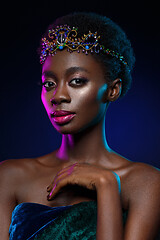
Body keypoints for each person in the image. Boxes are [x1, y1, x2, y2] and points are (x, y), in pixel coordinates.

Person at [0, 12, 160, 240]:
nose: (58, 96)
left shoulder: (146, 184)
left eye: (76, 81)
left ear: (113, 90)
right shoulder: (9, 176)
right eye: (49, 83)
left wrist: (106, 186)